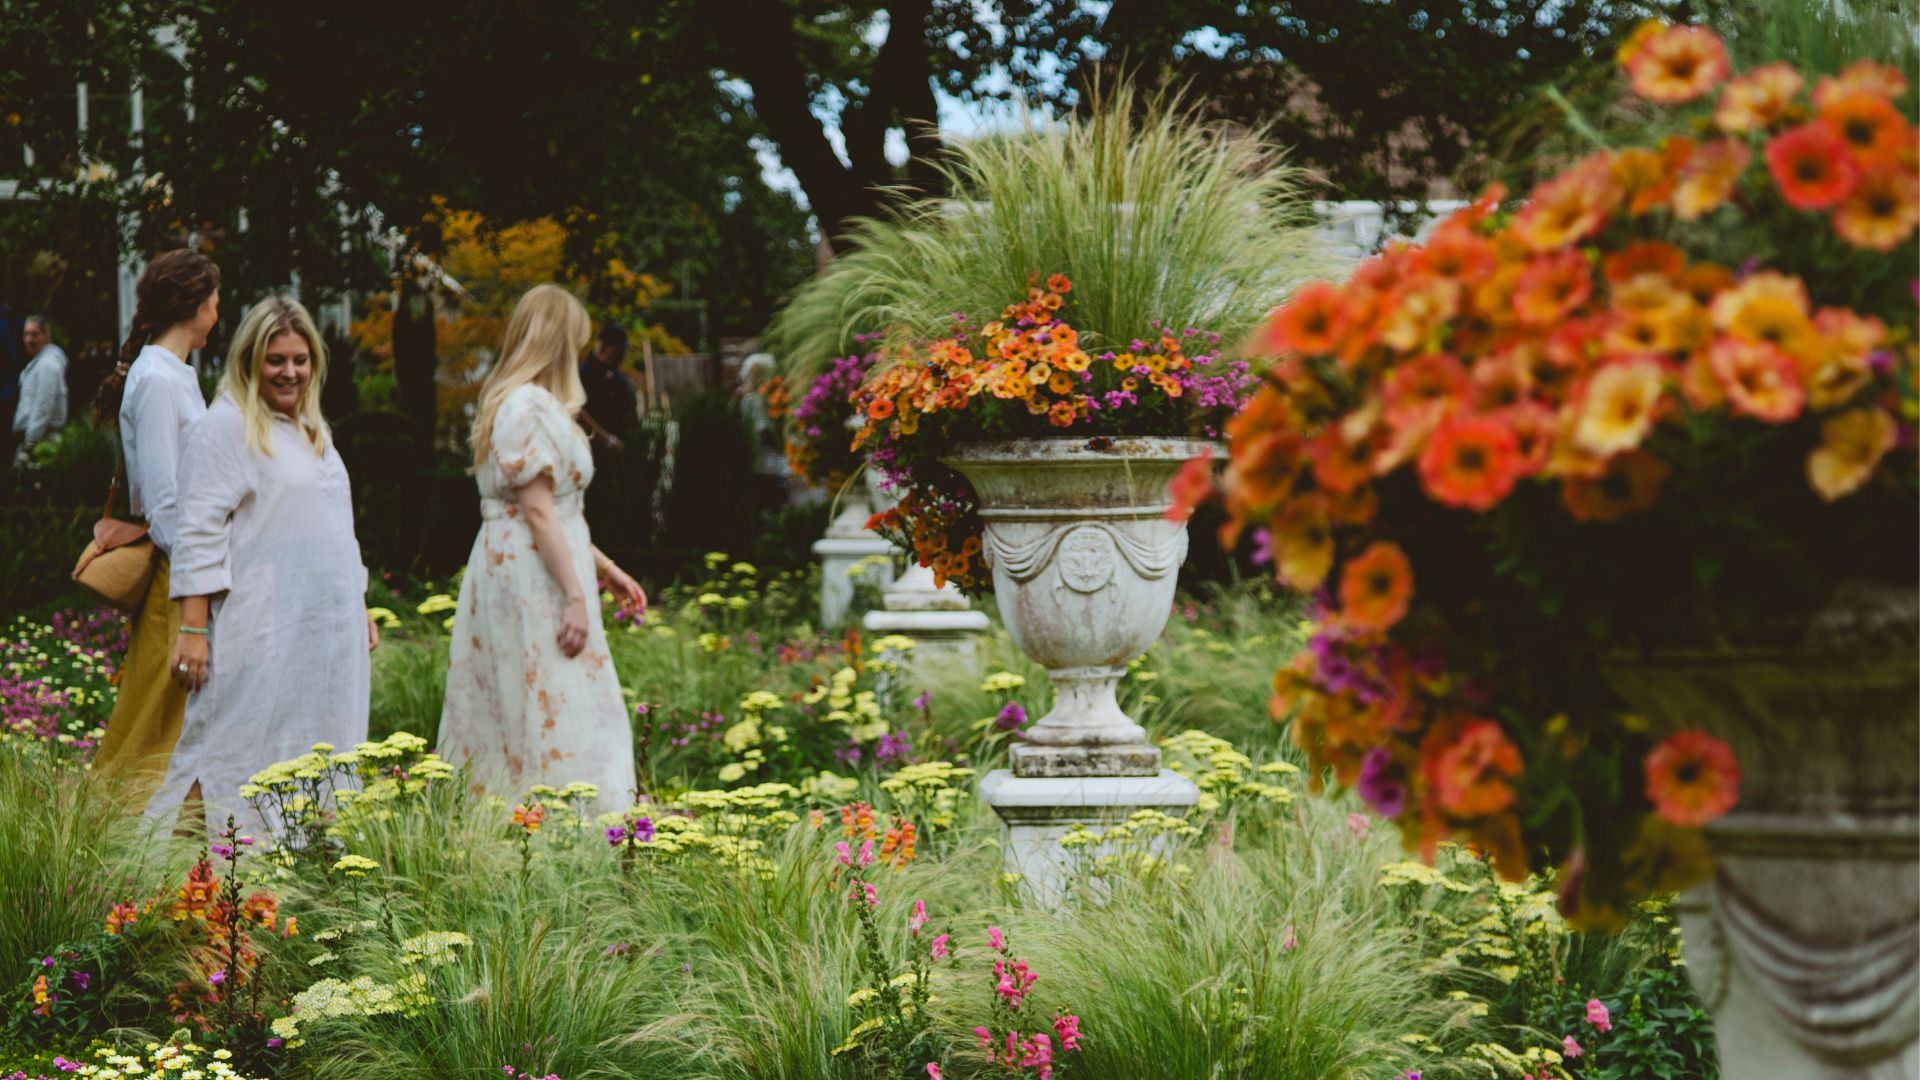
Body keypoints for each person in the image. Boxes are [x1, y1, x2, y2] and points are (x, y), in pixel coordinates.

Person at [148, 296, 376, 832]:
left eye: (300, 360)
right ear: (250, 360)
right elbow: (197, 533)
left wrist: (358, 601)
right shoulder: (224, 427)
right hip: (263, 622)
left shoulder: (311, 429)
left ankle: (307, 870)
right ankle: (201, 878)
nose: (290, 372)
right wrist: (192, 628)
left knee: (322, 740)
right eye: (276, 360)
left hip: (327, 629)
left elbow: (337, 527)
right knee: (234, 742)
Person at [438, 285, 645, 814]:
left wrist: (605, 570)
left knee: (549, 694)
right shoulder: (527, 405)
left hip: (544, 561)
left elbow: (557, 512)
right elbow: (536, 512)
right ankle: (563, 821)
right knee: (552, 692)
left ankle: (550, 820)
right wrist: (575, 596)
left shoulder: (528, 402)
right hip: (536, 577)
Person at [89, 249, 221, 810]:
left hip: (185, 567)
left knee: (170, 718)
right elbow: (166, 503)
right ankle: (109, 845)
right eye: (214, 298)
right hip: (178, 573)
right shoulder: (161, 380)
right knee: (154, 720)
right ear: (194, 304)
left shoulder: (170, 373)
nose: (219, 309)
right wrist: (199, 576)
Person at [12, 315, 69, 466]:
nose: (29, 339)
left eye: (34, 334)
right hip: (37, 438)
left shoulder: (48, 365)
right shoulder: (40, 363)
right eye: (26, 334)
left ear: (46, 336)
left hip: (42, 440)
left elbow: (43, 404)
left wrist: (30, 442)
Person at [577, 323, 636, 451]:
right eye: (617, 352)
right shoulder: (584, 374)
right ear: (602, 348)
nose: (621, 357)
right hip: (592, 449)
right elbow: (578, 411)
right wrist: (608, 440)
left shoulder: (618, 377)